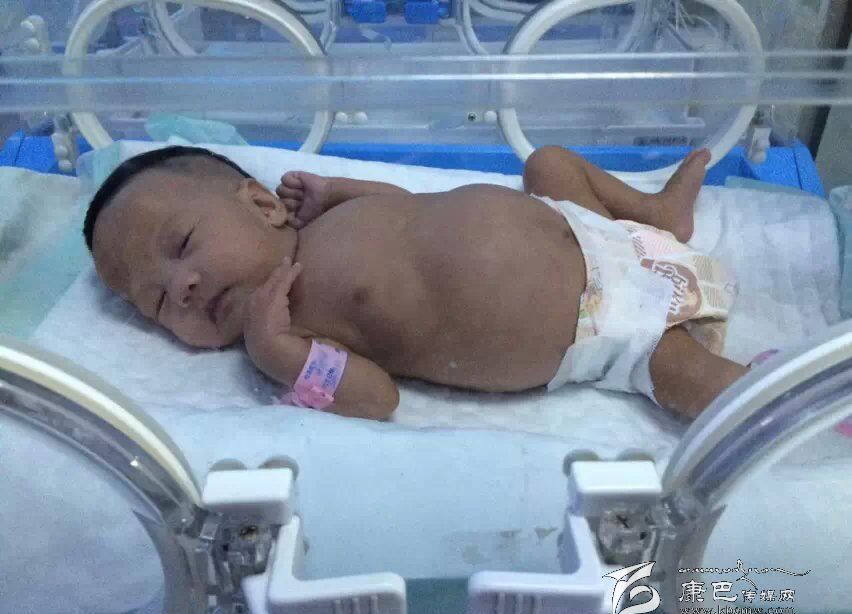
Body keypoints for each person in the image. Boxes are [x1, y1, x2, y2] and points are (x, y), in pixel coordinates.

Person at [84, 145, 744, 421]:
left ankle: (657, 215)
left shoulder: (327, 220)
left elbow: (405, 207)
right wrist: (280, 356)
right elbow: (377, 399)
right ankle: (785, 396)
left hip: (586, 225)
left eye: (182, 246)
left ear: (262, 205)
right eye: (158, 302)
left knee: (548, 162)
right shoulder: (291, 326)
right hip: (612, 327)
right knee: (700, 386)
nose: (184, 287)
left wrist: (340, 190)